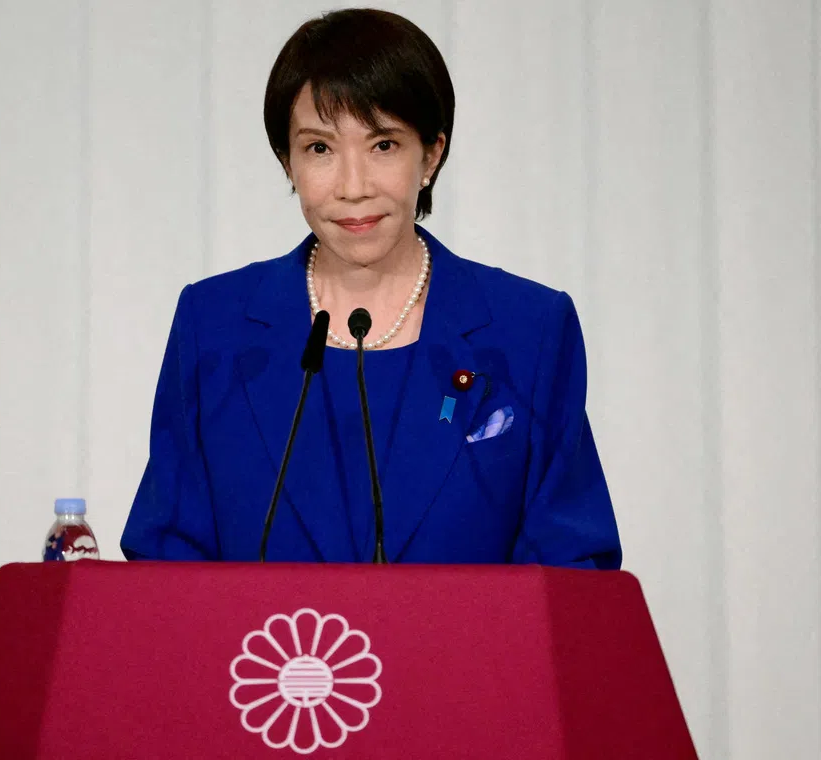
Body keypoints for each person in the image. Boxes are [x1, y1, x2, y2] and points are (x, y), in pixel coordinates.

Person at [121, 8, 620, 568]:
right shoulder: (213, 323)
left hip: (465, 657)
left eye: (383, 144)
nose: (353, 187)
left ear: (430, 153)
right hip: (266, 657)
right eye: (319, 149)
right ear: (286, 162)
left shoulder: (528, 329)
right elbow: (165, 559)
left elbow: (573, 565)